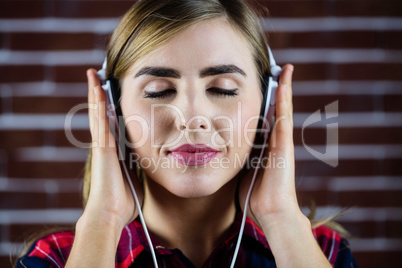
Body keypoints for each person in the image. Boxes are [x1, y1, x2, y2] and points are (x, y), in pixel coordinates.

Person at [16, 0, 357, 267]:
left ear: (269, 106)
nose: (192, 119)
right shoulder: (56, 259)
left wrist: (282, 220)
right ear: (113, 110)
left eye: (223, 89)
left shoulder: (323, 252)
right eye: (158, 90)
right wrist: (102, 222)